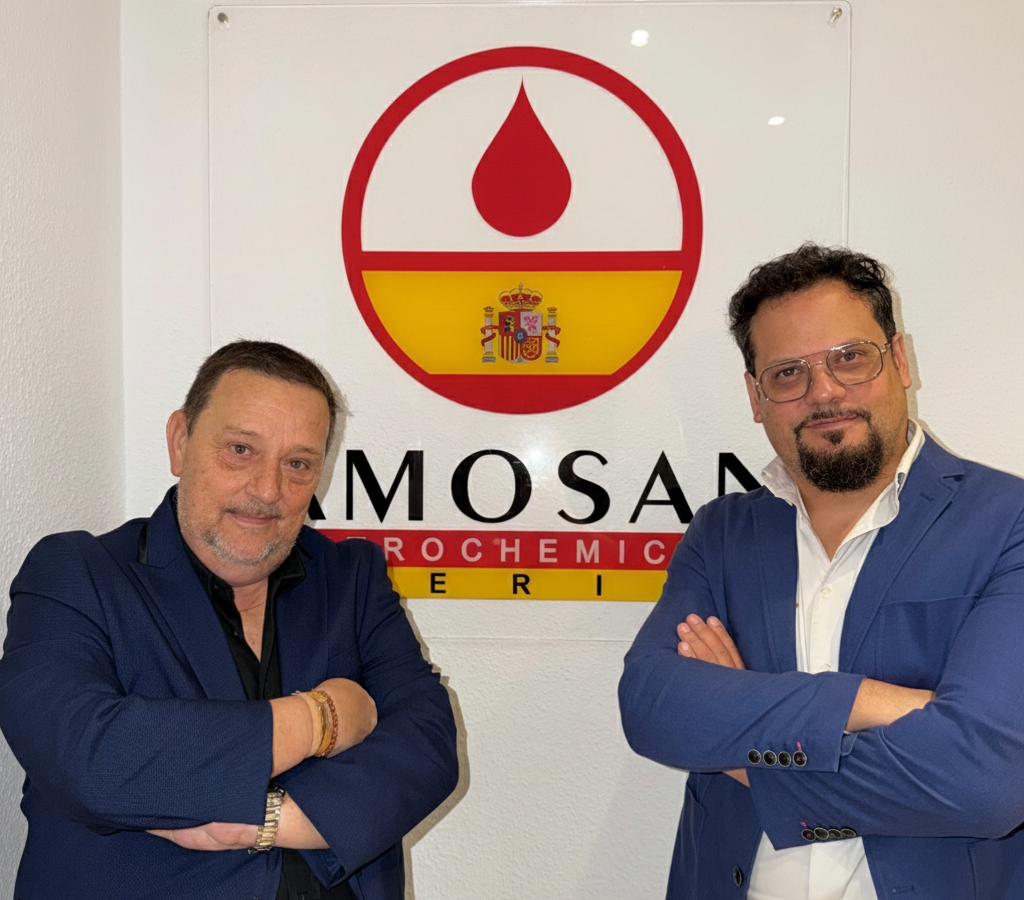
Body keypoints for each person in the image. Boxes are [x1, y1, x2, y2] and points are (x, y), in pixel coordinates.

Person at [619, 244, 1024, 899]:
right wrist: (872, 702)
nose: (825, 391)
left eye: (850, 357)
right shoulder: (722, 534)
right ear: (756, 396)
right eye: (788, 373)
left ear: (900, 360)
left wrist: (743, 741)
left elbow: (988, 783)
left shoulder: (1009, 522)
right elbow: (653, 708)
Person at [0, 341, 458, 900]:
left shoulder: (352, 578)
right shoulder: (77, 573)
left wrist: (267, 821)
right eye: (241, 449)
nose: (267, 490)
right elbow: (86, 758)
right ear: (180, 441)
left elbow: (427, 746)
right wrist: (321, 718)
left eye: (297, 464)